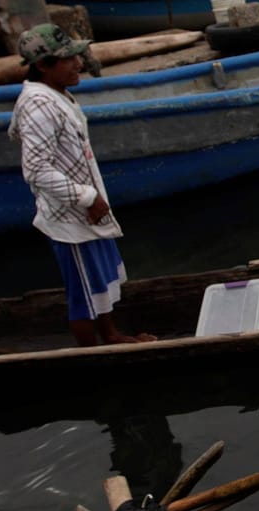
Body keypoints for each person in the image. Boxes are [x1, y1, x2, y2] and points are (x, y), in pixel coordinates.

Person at [8, 23, 155, 346]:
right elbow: (35, 169)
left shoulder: (57, 94)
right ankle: (92, 352)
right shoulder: (39, 104)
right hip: (70, 217)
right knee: (83, 295)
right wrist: (87, 197)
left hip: (86, 211)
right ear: (43, 66)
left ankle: (111, 335)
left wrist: (92, 199)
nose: (79, 64)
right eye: (68, 59)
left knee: (98, 284)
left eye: (77, 56)